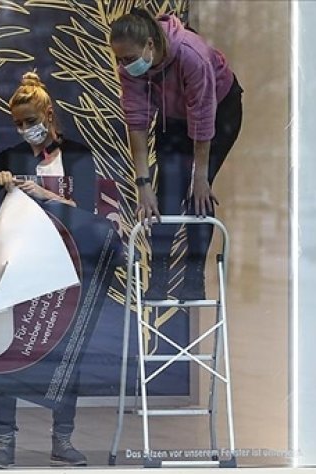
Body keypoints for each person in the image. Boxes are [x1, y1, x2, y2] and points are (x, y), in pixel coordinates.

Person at [0, 71, 97, 469]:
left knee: (65, 355)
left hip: (66, 268)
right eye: (19, 124)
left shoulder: (78, 155)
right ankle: (4, 441)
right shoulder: (11, 156)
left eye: (30, 121)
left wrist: (48, 196)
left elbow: (89, 212)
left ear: (48, 114)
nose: (25, 130)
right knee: (7, 353)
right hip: (20, 268)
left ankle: (63, 438)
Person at [110, 8, 242, 300]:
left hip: (219, 113)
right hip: (174, 118)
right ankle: (158, 278)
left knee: (198, 193)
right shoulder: (131, 66)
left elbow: (203, 118)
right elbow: (136, 123)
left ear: (150, 45)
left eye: (128, 58)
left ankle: (194, 278)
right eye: (119, 59)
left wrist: (201, 175)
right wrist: (142, 184)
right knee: (165, 194)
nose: (123, 65)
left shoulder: (190, 54)